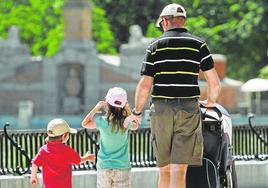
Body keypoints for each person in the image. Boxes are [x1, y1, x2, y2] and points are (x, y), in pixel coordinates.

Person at [131, 3, 221, 188]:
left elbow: (145, 85)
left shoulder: (155, 46)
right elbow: (214, 82)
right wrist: (210, 101)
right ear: (183, 21)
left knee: (164, 169)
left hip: (161, 109)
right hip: (188, 109)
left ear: (165, 21)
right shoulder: (198, 45)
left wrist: (137, 112)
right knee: (179, 169)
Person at [82, 87, 139, 188]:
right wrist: (127, 110)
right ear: (124, 105)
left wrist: (96, 108)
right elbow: (136, 125)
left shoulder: (103, 121)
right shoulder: (126, 123)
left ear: (107, 103)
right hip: (122, 166)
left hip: (104, 165)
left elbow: (85, 123)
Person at [30, 118, 95, 188]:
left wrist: (33, 177)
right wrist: (87, 157)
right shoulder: (67, 150)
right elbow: (78, 160)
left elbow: (35, 164)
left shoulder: (43, 150)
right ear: (64, 136)